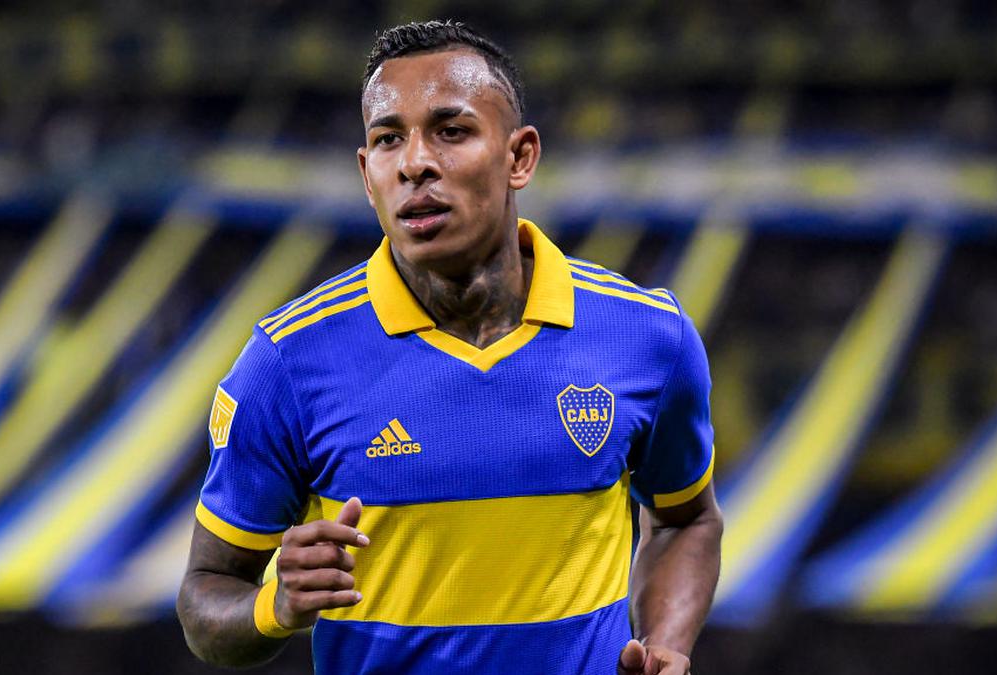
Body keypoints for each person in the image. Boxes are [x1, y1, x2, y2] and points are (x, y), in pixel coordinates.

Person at [177, 20, 722, 675]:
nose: (415, 163)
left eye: (451, 131)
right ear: (367, 174)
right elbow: (205, 598)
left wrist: (666, 643)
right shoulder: (287, 361)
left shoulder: (647, 336)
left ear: (519, 157)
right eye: (388, 139)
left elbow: (686, 520)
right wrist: (276, 605)